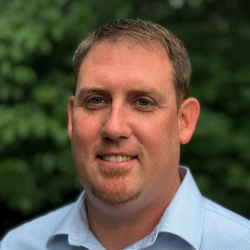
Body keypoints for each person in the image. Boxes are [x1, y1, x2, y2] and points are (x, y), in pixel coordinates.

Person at [1, 18, 250, 250]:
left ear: (184, 122)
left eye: (143, 102)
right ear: (71, 118)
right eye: (96, 100)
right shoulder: (18, 245)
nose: (114, 127)